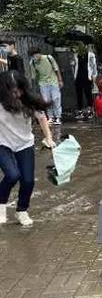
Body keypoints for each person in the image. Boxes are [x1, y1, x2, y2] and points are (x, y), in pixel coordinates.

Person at [0, 70, 55, 226]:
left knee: (28, 180)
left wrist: (49, 138)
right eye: (12, 90)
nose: (16, 93)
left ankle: (22, 211)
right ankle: (1, 206)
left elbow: (42, 118)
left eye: (19, 89)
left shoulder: (28, 102)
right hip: (2, 144)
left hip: (24, 144)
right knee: (12, 175)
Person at [29, 47, 64, 125]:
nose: (35, 57)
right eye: (33, 56)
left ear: (39, 53)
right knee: (46, 100)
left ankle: (58, 117)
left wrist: (60, 80)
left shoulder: (48, 58)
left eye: (35, 55)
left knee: (56, 99)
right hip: (43, 83)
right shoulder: (33, 63)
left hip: (53, 81)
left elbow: (56, 69)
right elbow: (34, 75)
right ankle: (51, 117)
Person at [71, 45, 98, 119]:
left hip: (87, 77)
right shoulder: (76, 55)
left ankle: (90, 111)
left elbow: (94, 66)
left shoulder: (91, 55)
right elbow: (74, 65)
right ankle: (80, 111)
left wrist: (94, 77)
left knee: (88, 94)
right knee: (79, 94)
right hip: (78, 77)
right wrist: (74, 73)